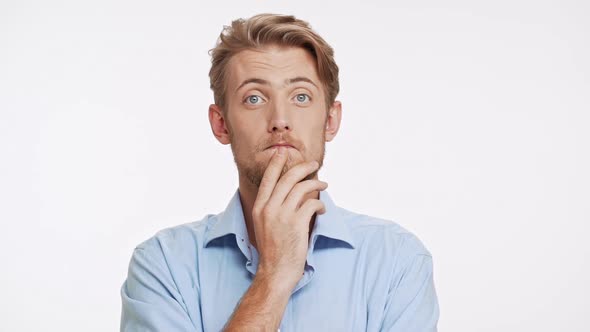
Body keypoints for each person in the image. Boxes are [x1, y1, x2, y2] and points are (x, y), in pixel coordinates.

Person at [120, 13, 439, 332]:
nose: (280, 119)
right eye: (254, 98)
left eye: (301, 96)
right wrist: (273, 277)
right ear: (221, 124)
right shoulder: (163, 265)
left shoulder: (397, 260)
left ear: (331, 120)